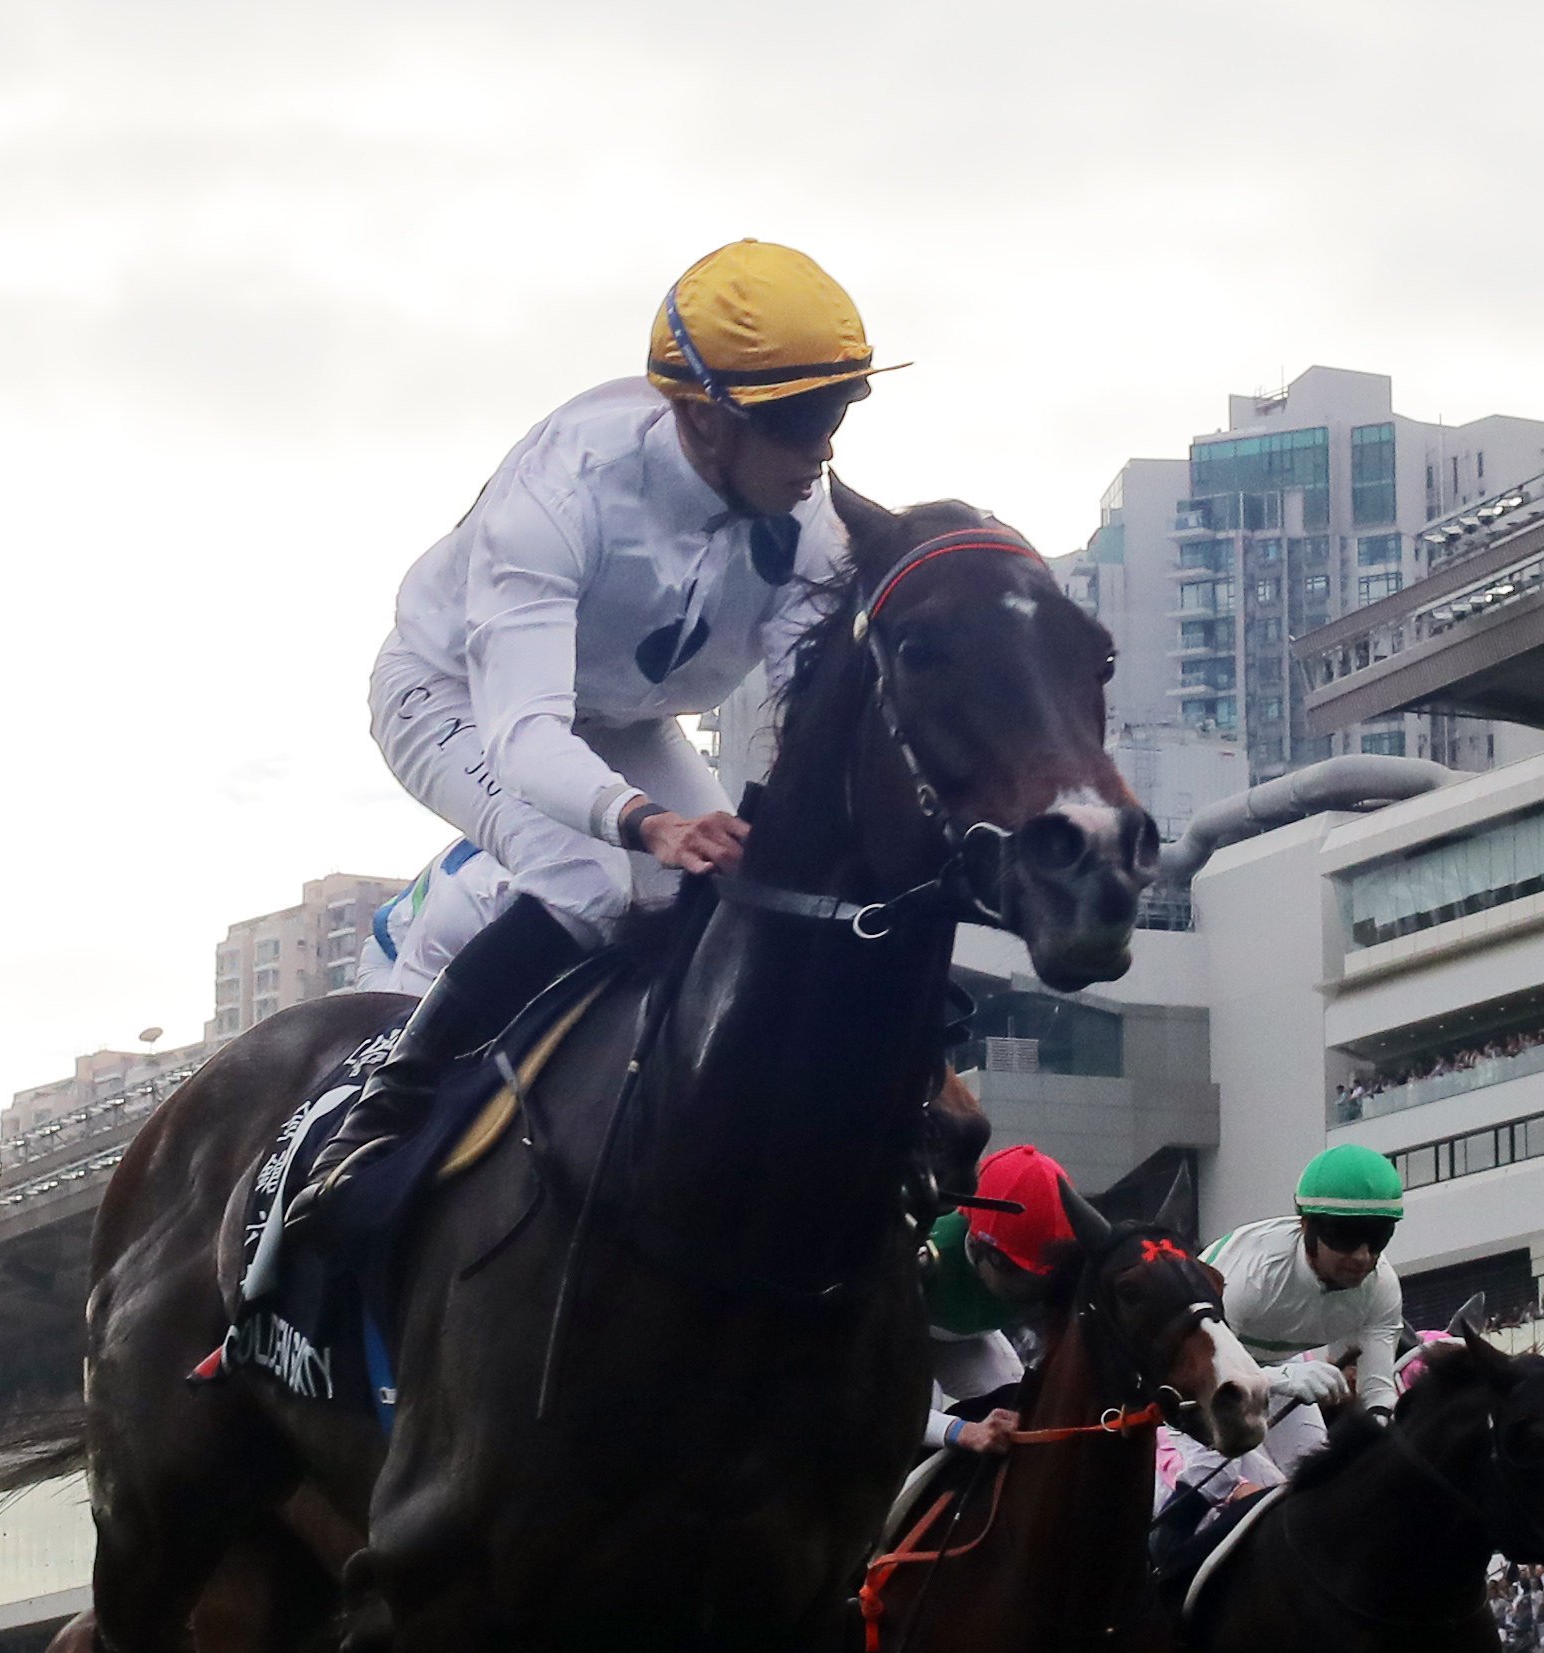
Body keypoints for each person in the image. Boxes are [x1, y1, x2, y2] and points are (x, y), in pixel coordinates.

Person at [295, 239, 882, 1225]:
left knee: (760, 898)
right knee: (590, 883)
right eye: (796, 421)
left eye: (837, 413)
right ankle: (382, 1116)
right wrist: (649, 824)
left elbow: (805, 720)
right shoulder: (564, 491)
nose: (820, 448)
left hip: (626, 721)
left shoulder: (807, 520)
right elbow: (525, 739)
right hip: (457, 702)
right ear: (701, 419)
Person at [1180, 1147, 1410, 1498]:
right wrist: (1284, 1379)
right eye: (1345, 1236)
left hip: (1273, 1367)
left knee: (1319, 1478)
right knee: (1212, 1480)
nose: (1363, 1256)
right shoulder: (1250, 1277)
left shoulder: (1381, 1287)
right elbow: (1206, 1371)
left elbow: (1377, 1394)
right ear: (1307, 1227)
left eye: (1378, 1236)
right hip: (1189, 1378)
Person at [918, 1144, 1078, 1456]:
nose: (1024, 1291)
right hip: (896, 1333)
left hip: (967, 1339)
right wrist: (961, 1431)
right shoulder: (923, 1255)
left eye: (1038, 1279)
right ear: (978, 1246)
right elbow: (898, 1407)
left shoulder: (1062, 1269)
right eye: (1013, 1271)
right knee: (922, 1414)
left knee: (1016, 1407)